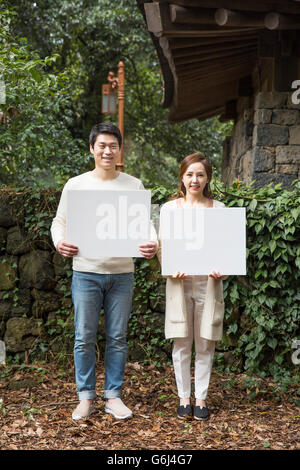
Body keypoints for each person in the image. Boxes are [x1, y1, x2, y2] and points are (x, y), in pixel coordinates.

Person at [51, 122, 157, 421]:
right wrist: (60, 242)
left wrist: (153, 241)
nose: (107, 150)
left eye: (113, 145)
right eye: (102, 145)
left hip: (122, 273)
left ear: (119, 149)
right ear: (92, 149)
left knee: (118, 338)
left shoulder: (134, 185)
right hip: (86, 271)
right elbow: (59, 222)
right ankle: (85, 397)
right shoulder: (76, 184)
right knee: (84, 337)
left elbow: (145, 224)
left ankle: (113, 396)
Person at [158, 153, 227, 421]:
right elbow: (162, 246)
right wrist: (169, 266)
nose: (194, 180)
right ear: (182, 177)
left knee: (206, 342)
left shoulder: (219, 209)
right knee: (182, 342)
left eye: (200, 174)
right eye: (189, 174)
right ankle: (183, 397)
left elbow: (226, 247)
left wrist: (223, 268)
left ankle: (201, 398)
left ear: (207, 178)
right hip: (180, 282)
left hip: (208, 283)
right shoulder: (169, 209)